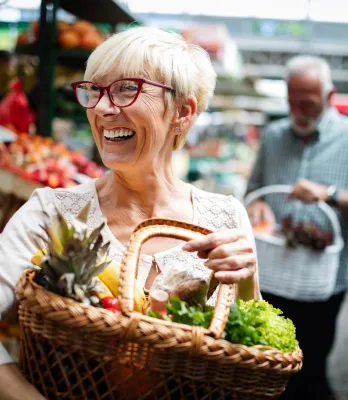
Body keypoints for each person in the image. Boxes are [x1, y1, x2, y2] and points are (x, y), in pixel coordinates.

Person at [0, 27, 260, 399]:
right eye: (95, 91)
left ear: (183, 113)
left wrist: (247, 282)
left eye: (126, 89)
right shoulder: (50, 214)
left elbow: (252, 358)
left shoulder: (225, 219)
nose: (103, 108)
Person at [246, 55, 348, 400]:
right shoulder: (273, 136)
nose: (298, 111)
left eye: (307, 103)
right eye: (292, 102)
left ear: (330, 96)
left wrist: (331, 195)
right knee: (267, 366)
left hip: (324, 284)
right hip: (272, 276)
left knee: (311, 369)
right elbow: (253, 191)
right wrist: (256, 204)